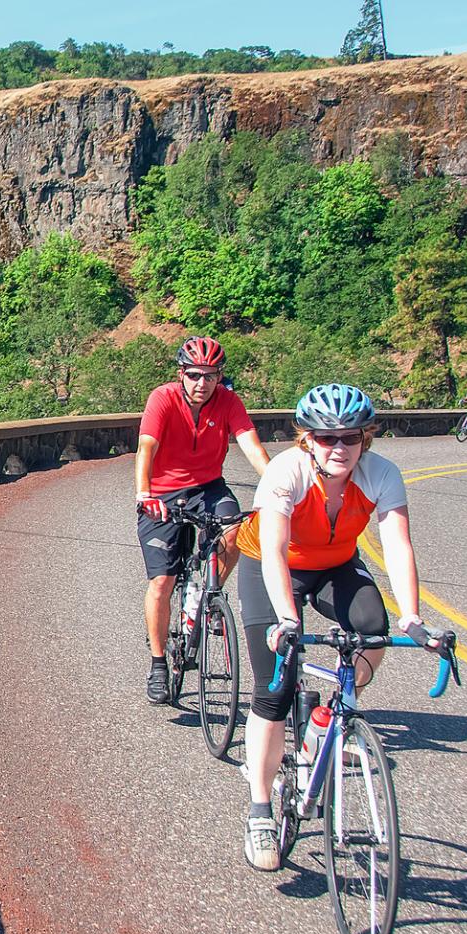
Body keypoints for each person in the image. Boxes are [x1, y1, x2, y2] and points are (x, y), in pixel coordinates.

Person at [235, 383, 423, 871]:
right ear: (307, 440)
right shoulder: (286, 472)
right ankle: (259, 809)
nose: (338, 448)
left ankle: (325, 722)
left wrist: (414, 617)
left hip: (336, 564)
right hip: (272, 566)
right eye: (325, 438)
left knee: (372, 628)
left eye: (350, 438)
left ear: (367, 438)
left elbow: (398, 546)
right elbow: (275, 550)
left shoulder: (382, 474)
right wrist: (287, 620)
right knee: (273, 688)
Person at [136, 337, 270, 703]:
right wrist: (144, 494)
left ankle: (206, 594)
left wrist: (279, 488)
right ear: (181, 374)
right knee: (162, 583)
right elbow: (146, 447)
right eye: (194, 375)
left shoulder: (229, 402)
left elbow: (252, 446)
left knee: (235, 532)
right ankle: (159, 664)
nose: (202, 383)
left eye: (211, 376)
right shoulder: (162, 398)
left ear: (220, 377)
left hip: (208, 488)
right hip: (162, 493)